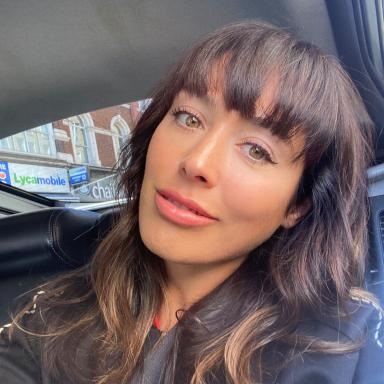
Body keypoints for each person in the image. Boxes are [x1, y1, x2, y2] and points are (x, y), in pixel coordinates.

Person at [0, 20, 381, 384]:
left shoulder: (345, 344)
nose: (197, 162)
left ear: (297, 206)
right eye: (189, 118)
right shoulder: (54, 314)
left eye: (257, 151)